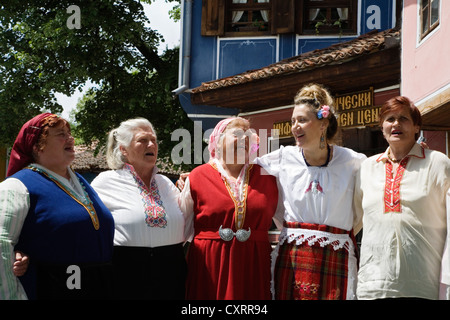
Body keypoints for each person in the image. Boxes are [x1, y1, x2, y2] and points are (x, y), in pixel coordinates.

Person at [256, 83, 366, 300]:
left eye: (302, 120)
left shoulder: (353, 161)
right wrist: (197, 175)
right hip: (292, 256)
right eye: (293, 121)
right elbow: (240, 170)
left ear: (323, 123)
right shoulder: (283, 158)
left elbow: (363, 206)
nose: (295, 126)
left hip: (336, 254)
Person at [0, 113, 114, 300]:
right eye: (61, 134)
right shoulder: (17, 187)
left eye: (69, 133)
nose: (70, 138)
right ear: (38, 146)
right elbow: (2, 244)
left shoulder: (82, 185)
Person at [354, 96, 450, 300]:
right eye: (390, 119)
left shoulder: (438, 163)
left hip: (423, 286)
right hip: (372, 286)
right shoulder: (366, 168)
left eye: (404, 118)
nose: (396, 124)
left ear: (416, 127)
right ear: (382, 128)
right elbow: (353, 222)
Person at [178, 117, 282, 300]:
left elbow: (287, 222)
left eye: (248, 135)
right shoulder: (197, 176)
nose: (244, 139)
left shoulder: (268, 178)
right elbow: (180, 229)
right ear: (218, 142)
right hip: (210, 265)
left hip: (254, 264)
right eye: (237, 134)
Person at [91, 118, 189, 300]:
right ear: (123, 150)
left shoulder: (166, 183)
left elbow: (188, 215)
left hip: (172, 269)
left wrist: (192, 186)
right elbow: (85, 225)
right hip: (126, 272)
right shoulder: (106, 182)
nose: (151, 144)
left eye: (153, 140)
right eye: (142, 140)